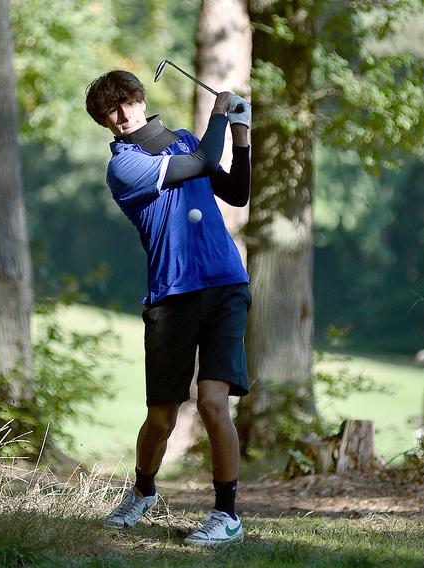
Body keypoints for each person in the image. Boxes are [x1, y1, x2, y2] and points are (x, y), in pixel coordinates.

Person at [85, 69, 252, 547]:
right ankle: (142, 491)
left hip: (224, 283)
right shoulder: (125, 165)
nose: (120, 116)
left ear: (139, 98)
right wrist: (218, 114)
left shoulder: (180, 140)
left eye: (125, 103)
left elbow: (236, 193)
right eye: (108, 113)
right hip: (171, 295)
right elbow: (200, 161)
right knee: (161, 416)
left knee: (213, 401)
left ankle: (226, 514)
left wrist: (240, 136)